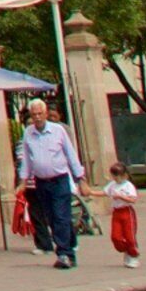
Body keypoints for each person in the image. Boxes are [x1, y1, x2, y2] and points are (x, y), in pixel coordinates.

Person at [15, 98, 85, 269]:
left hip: (59, 179)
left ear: (46, 114)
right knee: (52, 218)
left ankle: (64, 254)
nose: (37, 117)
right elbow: (27, 159)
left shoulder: (58, 131)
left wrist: (80, 178)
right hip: (41, 182)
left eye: (40, 114)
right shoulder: (29, 133)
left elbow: (71, 154)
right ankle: (69, 245)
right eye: (34, 114)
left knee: (61, 216)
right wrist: (23, 181)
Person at [102, 168, 141, 269]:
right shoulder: (112, 184)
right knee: (116, 237)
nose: (115, 178)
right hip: (116, 212)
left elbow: (133, 200)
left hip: (126, 211)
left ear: (124, 175)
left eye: (116, 175)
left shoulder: (128, 185)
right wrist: (90, 192)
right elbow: (105, 192)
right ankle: (126, 250)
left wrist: (120, 197)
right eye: (113, 175)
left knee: (129, 236)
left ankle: (133, 255)